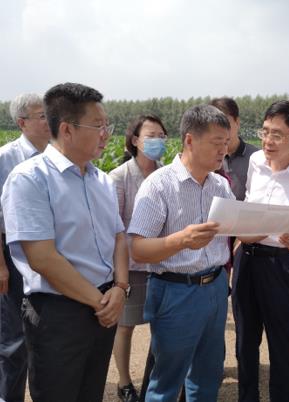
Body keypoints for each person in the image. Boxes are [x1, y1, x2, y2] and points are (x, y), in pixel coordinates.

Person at [1, 82, 129, 402]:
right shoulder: (30, 178)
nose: (106, 134)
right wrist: (100, 302)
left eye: (108, 125)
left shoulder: (102, 180)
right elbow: (42, 257)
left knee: (90, 392)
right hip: (59, 313)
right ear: (67, 129)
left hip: (104, 304)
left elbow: (118, 236)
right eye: (98, 126)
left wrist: (120, 287)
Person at [128, 104, 233, 402]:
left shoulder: (220, 185)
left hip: (215, 287)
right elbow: (137, 248)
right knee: (167, 380)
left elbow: (237, 227)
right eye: (216, 142)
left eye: (226, 143)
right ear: (189, 140)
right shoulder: (159, 185)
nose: (223, 150)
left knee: (208, 374)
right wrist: (181, 240)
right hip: (176, 290)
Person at [232, 100, 289, 402]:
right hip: (247, 259)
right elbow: (249, 203)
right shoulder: (256, 162)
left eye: (277, 135)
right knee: (245, 341)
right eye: (265, 132)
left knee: (284, 344)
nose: (268, 141)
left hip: (283, 265)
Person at [109, 115, 168, 402]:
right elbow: (116, 230)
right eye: (151, 135)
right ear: (135, 140)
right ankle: (124, 382)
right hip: (131, 266)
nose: (158, 141)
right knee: (125, 325)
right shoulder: (119, 177)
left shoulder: (167, 174)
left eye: (162, 136)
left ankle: (155, 381)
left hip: (162, 263)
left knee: (162, 325)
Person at [0, 93, 50, 402]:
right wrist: (1, 266)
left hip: (49, 254)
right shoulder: (6, 158)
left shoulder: (56, 156)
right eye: (41, 115)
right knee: (13, 340)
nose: (49, 120)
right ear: (22, 122)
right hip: (13, 254)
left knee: (45, 332)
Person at [209, 97, 259, 201]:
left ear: (237, 122)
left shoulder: (256, 157)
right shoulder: (207, 157)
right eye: (216, 126)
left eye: (226, 124)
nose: (221, 131)